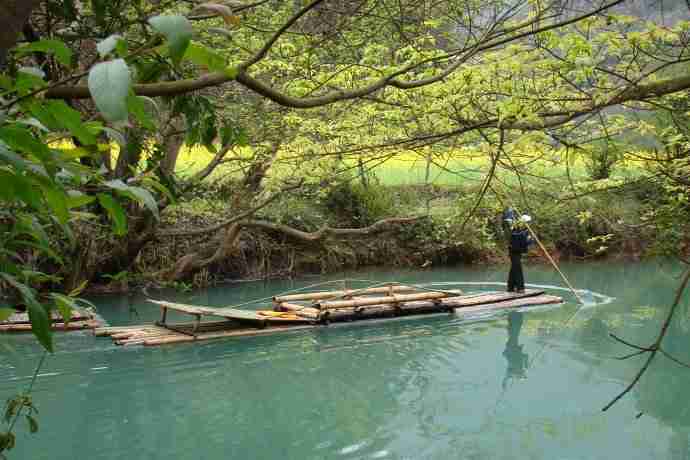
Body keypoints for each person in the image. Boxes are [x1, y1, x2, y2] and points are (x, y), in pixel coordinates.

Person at [504, 211, 534, 293]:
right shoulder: (516, 229)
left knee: (514, 268)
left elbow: (526, 242)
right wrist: (529, 239)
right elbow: (519, 239)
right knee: (517, 269)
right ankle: (520, 288)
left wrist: (530, 239)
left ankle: (510, 287)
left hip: (518, 252)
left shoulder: (524, 230)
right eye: (527, 222)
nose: (529, 224)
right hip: (513, 251)